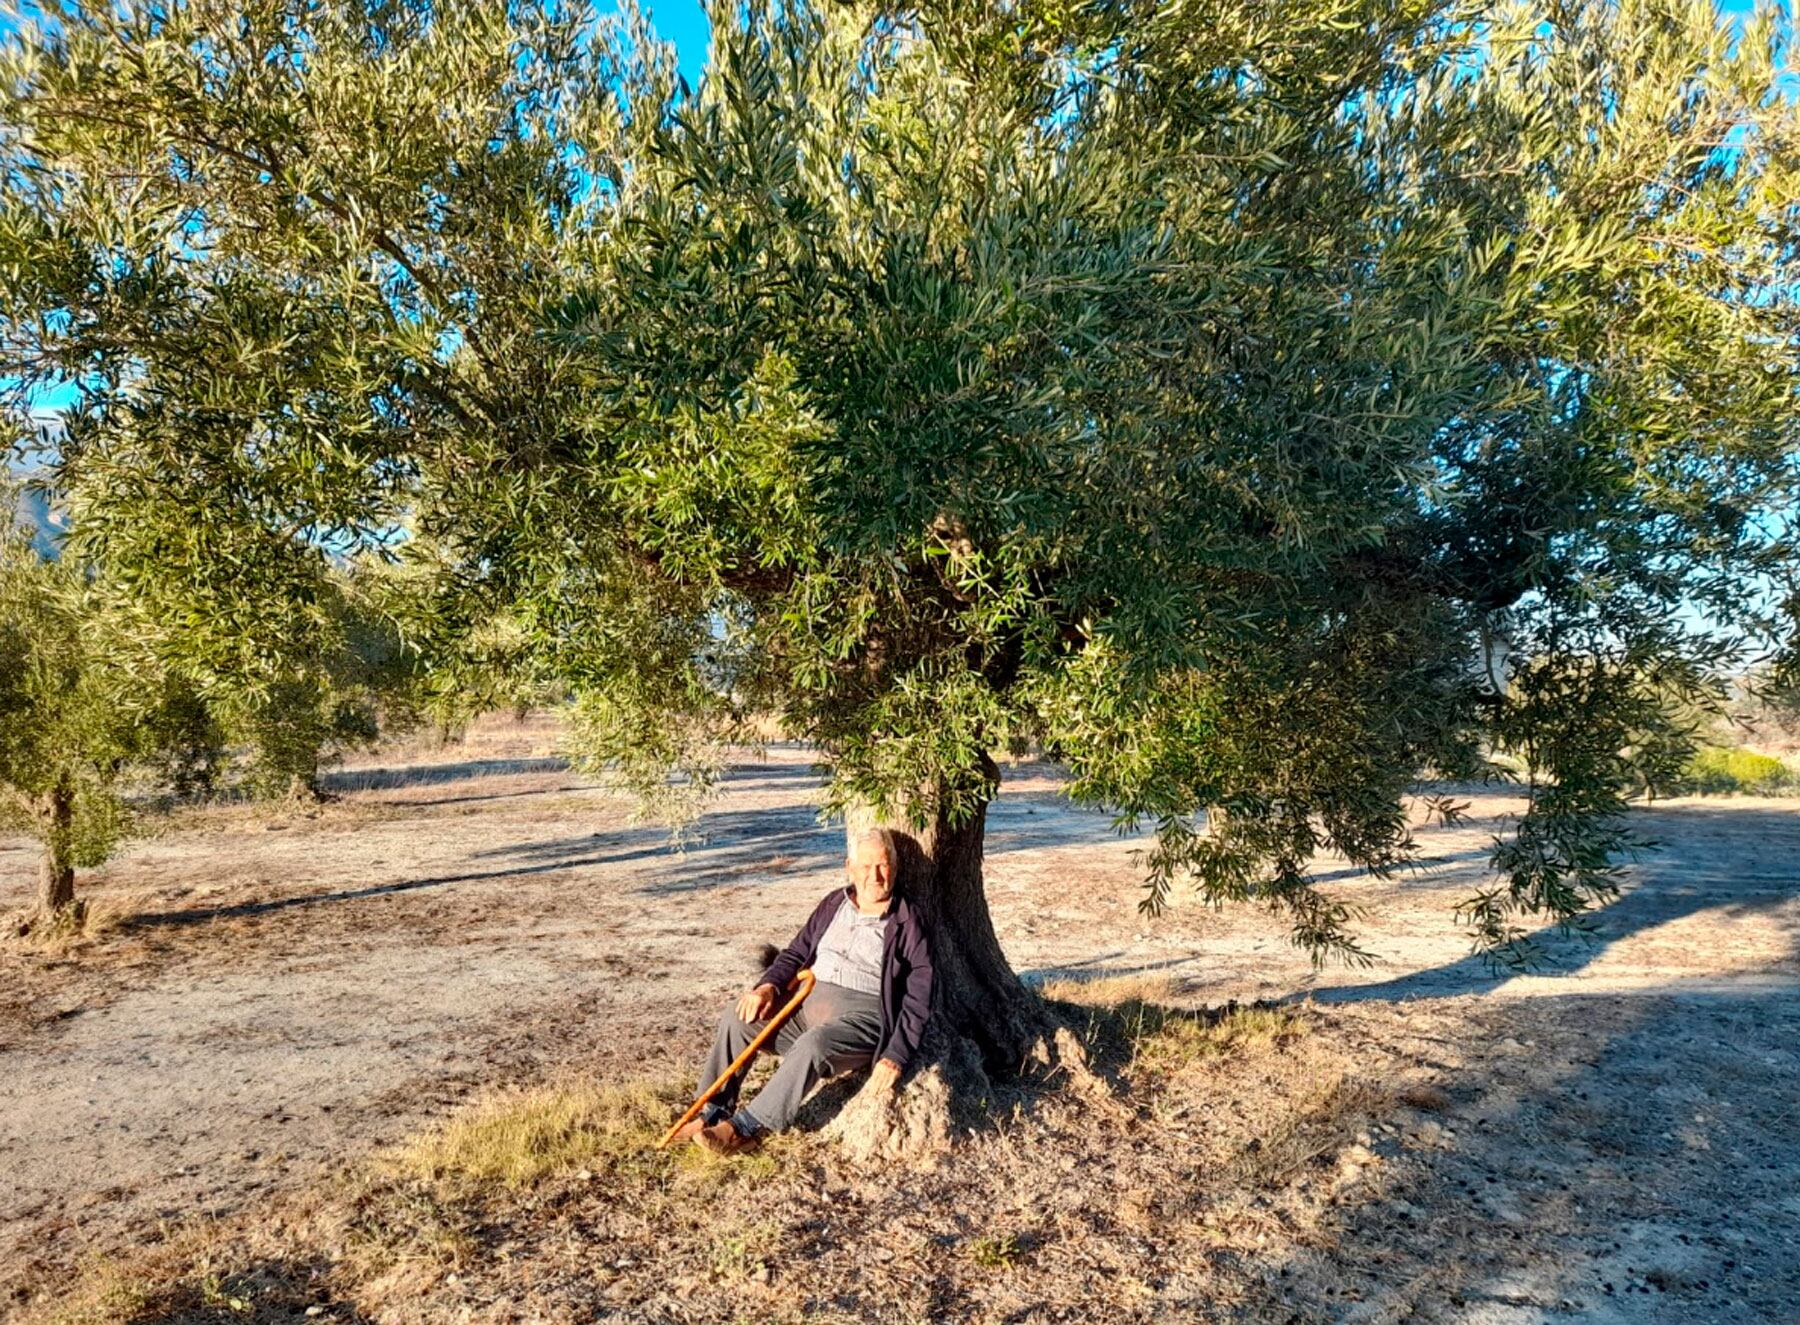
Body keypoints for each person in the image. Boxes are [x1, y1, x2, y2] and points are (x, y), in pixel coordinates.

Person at [676, 827, 934, 1155]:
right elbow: (797, 952)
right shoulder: (833, 904)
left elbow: (919, 993)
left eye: (883, 866)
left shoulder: (908, 920)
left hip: (862, 1019)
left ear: (894, 868)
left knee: (813, 1045)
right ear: (850, 869)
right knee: (737, 1018)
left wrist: (896, 1055)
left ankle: (744, 1130)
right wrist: (767, 986)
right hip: (805, 1007)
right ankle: (711, 1112)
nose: (875, 875)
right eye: (866, 867)